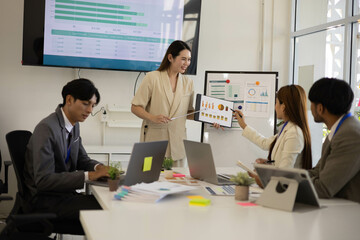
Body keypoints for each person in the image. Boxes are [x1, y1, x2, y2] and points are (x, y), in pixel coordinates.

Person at [24, 78, 110, 232]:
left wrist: (100, 168)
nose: (90, 110)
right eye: (86, 103)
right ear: (69, 100)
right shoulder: (47, 128)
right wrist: (89, 175)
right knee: (107, 210)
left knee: (109, 202)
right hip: (45, 199)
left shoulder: (73, 125)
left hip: (62, 194)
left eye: (93, 105)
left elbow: (81, 159)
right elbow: (43, 180)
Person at [131, 40, 194, 166]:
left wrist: (210, 117)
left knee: (177, 183)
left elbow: (189, 113)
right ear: (170, 57)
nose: (186, 63)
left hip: (178, 145)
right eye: (183, 59)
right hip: (154, 143)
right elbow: (135, 107)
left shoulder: (188, 83)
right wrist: (152, 117)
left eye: (189, 59)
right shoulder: (152, 78)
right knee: (150, 182)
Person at [234, 85, 312, 170]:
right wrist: (243, 125)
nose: (275, 107)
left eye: (276, 103)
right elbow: (265, 143)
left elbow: (284, 172)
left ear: (283, 107)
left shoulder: (294, 133)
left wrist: (262, 173)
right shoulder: (287, 129)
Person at [308, 77, 360, 203]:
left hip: (349, 215)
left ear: (320, 108)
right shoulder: (340, 130)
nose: (310, 108)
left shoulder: (349, 134)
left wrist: (287, 184)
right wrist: (283, 177)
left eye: (311, 104)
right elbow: (318, 171)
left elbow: (323, 188)